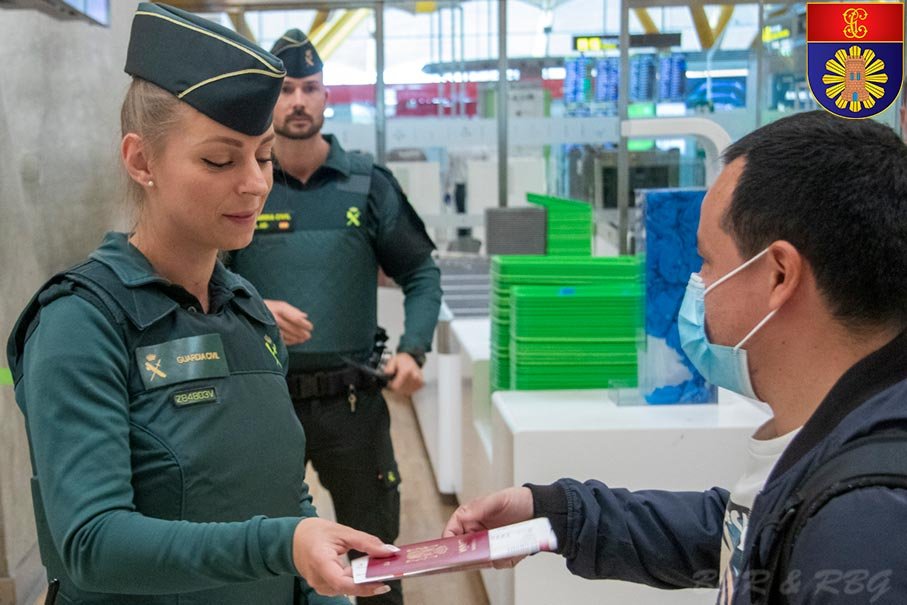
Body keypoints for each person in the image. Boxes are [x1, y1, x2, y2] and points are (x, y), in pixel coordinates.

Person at [6, 4, 398, 604]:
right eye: (220, 159)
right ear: (141, 160)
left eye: (262, 155)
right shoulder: (81, 324)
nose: (256, 183)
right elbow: (92, 542)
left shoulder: (246, 311)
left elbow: (284, 494)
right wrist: (281, 544)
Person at [445, 111, 907, 604]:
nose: (699, 284)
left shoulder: (864, 523)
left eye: (707, 261)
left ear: (778, 275)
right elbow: (744, 534)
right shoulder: (842, 453)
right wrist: (558, 514)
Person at [229, 29, 442, 605]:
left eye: (310, 88)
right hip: (264, 405)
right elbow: (202, 284)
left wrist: (413, 349)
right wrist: (255, 310)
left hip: (354, 407)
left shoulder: (367, 185)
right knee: (263, 560)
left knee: (376, 563)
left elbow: (421, 273)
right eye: (285, 90)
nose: (298, 100)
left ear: (326, 98)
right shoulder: (243, 184)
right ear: (268, 100)